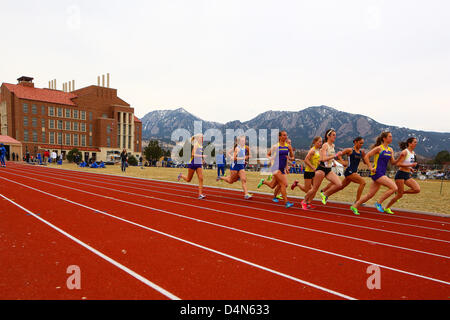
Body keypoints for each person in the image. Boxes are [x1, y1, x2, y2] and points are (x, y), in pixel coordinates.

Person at [350, 131, 399, 216]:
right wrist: (370, 167)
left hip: (382, 173)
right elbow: (366, 156)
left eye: (391, 136)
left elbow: (393, 162)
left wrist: (401, 158)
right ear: (384, 138)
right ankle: (379, 203)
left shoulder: (391, 150)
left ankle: (355, 206)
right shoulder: (379, 148)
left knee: (370, 194)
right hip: (377, 172)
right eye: (390, 136)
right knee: (394, 187)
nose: (391, 138)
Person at [301, 129, 344, 210]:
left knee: (339, 184)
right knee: (314, 189)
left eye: (335, 135)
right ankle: (304, 201)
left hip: (328, 169)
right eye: (333, 135)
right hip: (321, 169)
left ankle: (325, 194)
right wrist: (335, 156)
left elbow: (330, 156)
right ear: (328, 136)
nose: (335, 136)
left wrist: (333, 161)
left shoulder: (332, 146)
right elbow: (323, 159)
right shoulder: (325, 145)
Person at [320, 137, 369, 203]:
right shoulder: (350, 150)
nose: (361, 145)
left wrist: (367, 158)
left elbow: (365, 162)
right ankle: (358, 201)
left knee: (341, 186)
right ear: (355, 142)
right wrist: (342, 161)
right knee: (363, 182)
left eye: (362, 143)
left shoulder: (361, 152)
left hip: (354, 172)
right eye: (360, 143)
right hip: (349, 172)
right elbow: (339, 155)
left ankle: (325, 194)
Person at [257, 130, 295, 208]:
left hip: (282, 168)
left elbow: (292, 157)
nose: (285, 136)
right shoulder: (275, 146)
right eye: (284, 135)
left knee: (272, 185)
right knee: (284, 184)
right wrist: (271, 158)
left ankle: (263, 181)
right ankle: (286, 202)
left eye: (286, 135)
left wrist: (290, 159)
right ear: (279, 137)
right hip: (275, 168)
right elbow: (268, 154)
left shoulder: (288, 146)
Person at [384, 137, 420, 214]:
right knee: (399, 196)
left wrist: (410, 168)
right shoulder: (404, 152)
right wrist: (411, 165)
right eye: (414, 142)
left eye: (416, 142)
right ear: (409, 143)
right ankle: (387, 208)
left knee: (417, 189)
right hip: (400, 174)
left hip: (407, 174)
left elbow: (406, 164)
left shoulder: (413, 153)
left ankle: (401, 192)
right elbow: (398, 164)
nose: (416, 143)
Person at [290, 136, 322, 208]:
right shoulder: (312, 150)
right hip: (308, 172)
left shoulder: (318, 150)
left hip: (315, 172)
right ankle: (297, 184)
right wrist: (312, 167)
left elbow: (317, 161)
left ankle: (308, 203)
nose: (320, 143)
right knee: (307, 189)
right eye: (319, 141)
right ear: (315, 142)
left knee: (314, 189)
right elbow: (306, 160)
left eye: (321, 142)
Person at [178, 134, 206, 199]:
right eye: (201, 138)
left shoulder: (201, 146)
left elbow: (199, 154)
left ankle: (200, 194)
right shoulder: (196, 145)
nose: (202, 139)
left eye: (203, 138)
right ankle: (181, 175)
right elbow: (193, 154)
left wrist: (202, 160)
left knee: (201, 178)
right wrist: (202, 156)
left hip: (198, 164)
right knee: (188, 179)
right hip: (193, 163)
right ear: (198, 138)